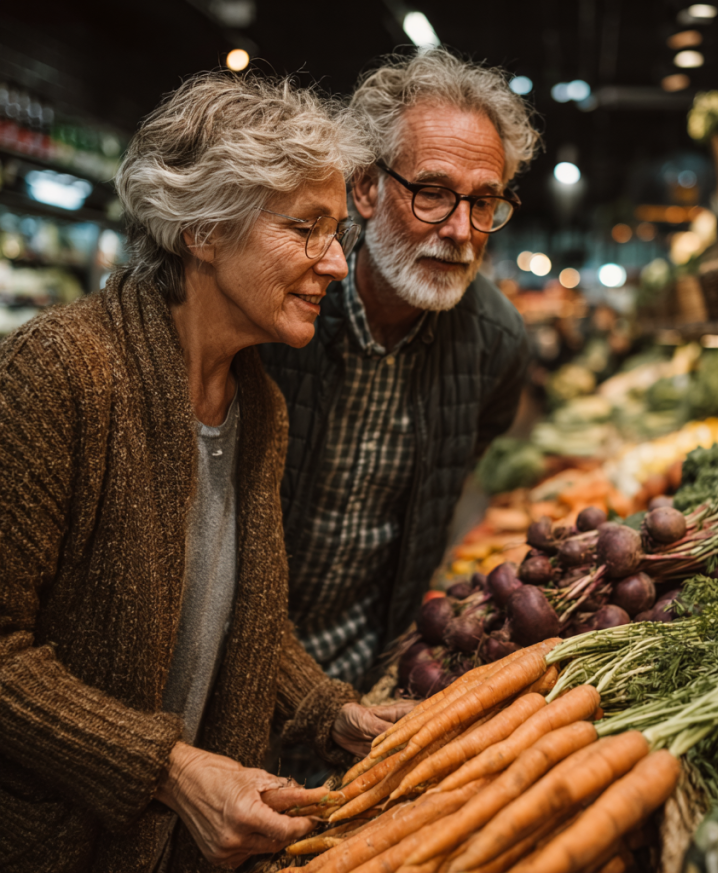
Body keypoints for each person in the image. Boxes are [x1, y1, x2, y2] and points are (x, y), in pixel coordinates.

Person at [0, 72, 411, 873]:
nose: (334, 263)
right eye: (305, 228)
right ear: (204, 230)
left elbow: (243, 614)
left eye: (339, 234)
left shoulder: (258, 403)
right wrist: (172, 768)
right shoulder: (57, 373)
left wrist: (331, 712)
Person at [260, 49, 541, 692]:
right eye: (434, 194)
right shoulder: (279, 304)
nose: (462, 231)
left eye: (484, 202)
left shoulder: (496, 346)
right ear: (365, 188)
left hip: (361, 677)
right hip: (223, 667)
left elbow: (438, 502)